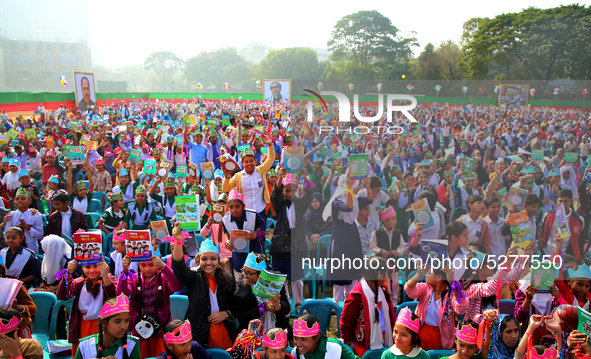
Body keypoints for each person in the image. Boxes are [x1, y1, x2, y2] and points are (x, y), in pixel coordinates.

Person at [171, 225, 237, 349]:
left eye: (213, 259)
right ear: (198, 261)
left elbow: (236, 305)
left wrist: (227, 313)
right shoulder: (194, 278)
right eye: (204, 259)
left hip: (224, 331)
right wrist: (178, 241)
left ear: (218, 260)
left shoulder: (228, 279)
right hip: (201, 332)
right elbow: (179, 269)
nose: (208, 263)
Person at [117, 254, 183, 358]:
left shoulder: (163, 277)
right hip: (139, 330)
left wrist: (164, 267)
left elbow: (178, 286)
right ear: (138, 265)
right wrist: (124, 271)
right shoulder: (134, 278)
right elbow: (121, 293)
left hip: (160, 331)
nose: (147, 269)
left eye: (151, 265)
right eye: (143, 265)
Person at [270, 169, 314, 312]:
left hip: (297, 245)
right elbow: (274, 196)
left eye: (292, 190)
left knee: (297, 279)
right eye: (286, 190)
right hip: (280, 246)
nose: (289, 194)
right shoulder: (279, 204)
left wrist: (304, 177)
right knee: (281, 279)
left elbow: (309, 195)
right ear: (283, 191)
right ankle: (285, 304)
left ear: (297, 191)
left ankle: (299, 304)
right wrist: (280, 178)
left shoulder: (300, 205)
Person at [57, 257, 116, 358]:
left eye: (96, 266)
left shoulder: (110, 279)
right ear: (82, 268)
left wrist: (105, 274)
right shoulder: (79, 283)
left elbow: (114, 296)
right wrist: (69, 273)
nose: (92, 270)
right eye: (87, 267)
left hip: (103, 327)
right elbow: (62, 296)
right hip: (81, 327)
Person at [404, 263, 469, 350]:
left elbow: (461, 308)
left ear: (438, 277)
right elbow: (409, 289)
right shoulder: (426, 289)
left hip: (441, 339)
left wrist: (453, 283)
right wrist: (419, 274)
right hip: (420, 335)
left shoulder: (450, 294)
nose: (426, 275)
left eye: (429, 273)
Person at [340, 257, 394, 357]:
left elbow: (390, 316)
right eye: (386, 273)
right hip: (364, 345)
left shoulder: (383, 290)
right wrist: (346, 344)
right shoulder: (356, 296)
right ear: (380, 275)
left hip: (384, 340)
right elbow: (346, 322)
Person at [234, 253, 290, 334]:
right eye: (244, 271)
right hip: (251, 332)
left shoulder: (275, 283)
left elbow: (287, 308)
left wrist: (278, 306)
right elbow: (240, 316)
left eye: (249, 273)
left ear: (261, 274)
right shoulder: (241, 287)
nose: (245, 275)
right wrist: (262, 309)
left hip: (276, 328)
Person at [222, 134, 275, 220]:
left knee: (260, 233)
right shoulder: (238, 176)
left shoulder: (261, 170)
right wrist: (226, 178)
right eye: (246, 162)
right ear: (242, 164)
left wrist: (270, 144)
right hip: (245, 213)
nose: (249, 164)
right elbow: (226, 189)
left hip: (261, 211)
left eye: (251, 161)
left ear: (256, 161)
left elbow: (271, 158)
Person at [74, 294, 141, 359]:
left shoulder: (132, 345)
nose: (123, 326)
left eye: (126, 321)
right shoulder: (85, 345)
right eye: (117, 321)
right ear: (104, 323)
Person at [222, 189, 266, 278]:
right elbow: (225, 230)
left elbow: (262, 224)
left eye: (237, 206)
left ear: (243, 206)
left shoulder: (253, 215)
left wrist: (256, 232)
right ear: (227, 207)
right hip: (238, 251)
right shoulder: (225, 219)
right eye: (231, 207)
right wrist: (227, 240)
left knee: (255, 272)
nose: (234, 210)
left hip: (254, 248)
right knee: (239, 273)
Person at [291, 314, 358, 359]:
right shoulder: (295, 352)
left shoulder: (334, 348)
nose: (298, 344)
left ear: (317, 338)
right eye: (296, 338)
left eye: (304, 339)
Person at [0, 188, 43, 253]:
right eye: (17, 199)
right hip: (14, 250)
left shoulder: (35, 215)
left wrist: (28, 228)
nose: (19, 200)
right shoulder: (10, 216)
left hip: (31, 249)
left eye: (23, 199)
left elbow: (40, 235)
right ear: (14, 201)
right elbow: (6, 235)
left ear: (30, 201)